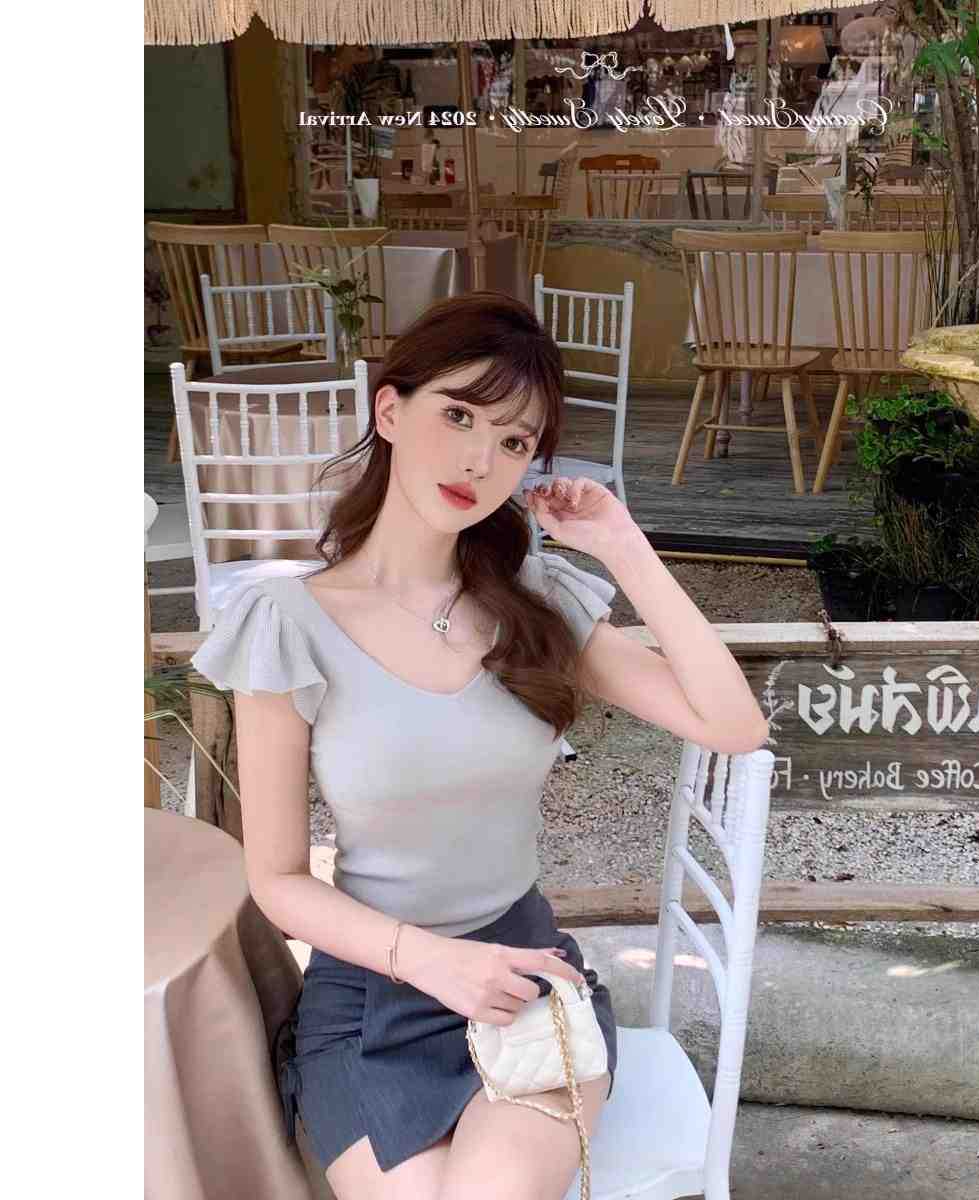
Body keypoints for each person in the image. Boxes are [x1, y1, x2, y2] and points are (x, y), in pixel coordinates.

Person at [191, 290, 769, 1200]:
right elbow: (280, 880)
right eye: (459, 415)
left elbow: (734, 724)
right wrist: (428, 960)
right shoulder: (287, 623)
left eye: (514, 441)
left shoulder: (533, 602)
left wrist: (622, 543)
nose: (480, 459)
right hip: (373, 991)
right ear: (390, 410)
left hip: (522, 978)